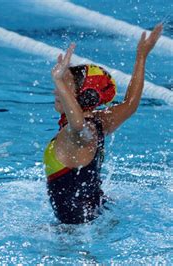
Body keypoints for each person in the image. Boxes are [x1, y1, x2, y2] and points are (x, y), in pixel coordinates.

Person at [43, 24, 163, 224]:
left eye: (66, 85)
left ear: (85, 95)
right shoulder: (100, 121)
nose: (57, 90)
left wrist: (57, 79)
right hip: (98, 212)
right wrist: (141, 55)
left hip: (77, 233)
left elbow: (78, 124)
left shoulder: (80, 131)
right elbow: (130, 104)